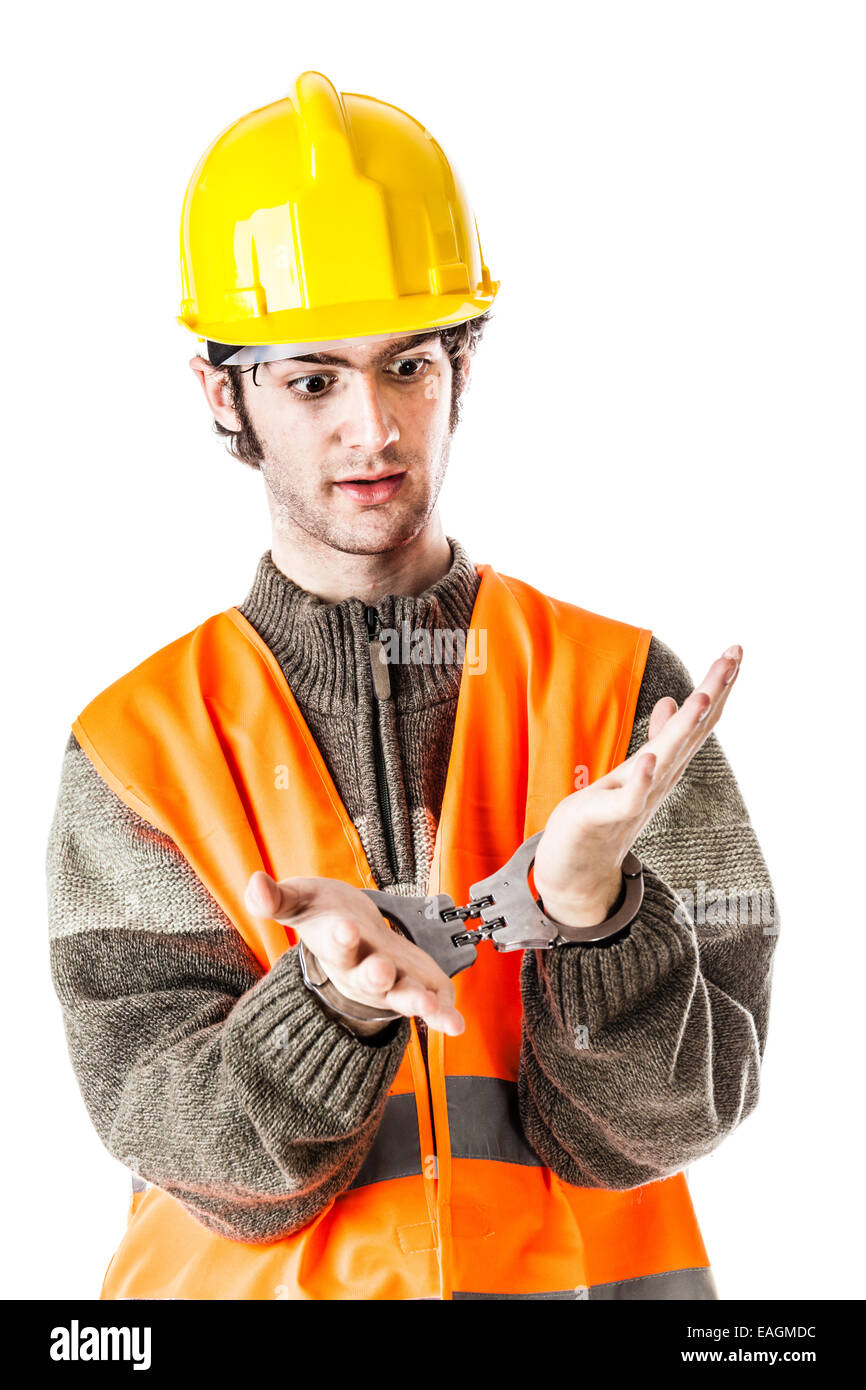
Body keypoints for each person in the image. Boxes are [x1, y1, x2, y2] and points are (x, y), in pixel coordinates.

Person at [46, 70, 778, 1301]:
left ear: (462, 367)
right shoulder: (136, 747)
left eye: (409, 366)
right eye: (312, 378)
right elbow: (188, 1151)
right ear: (222, 392)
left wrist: (597, 919)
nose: (372, 428)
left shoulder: (623, 696)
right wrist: (329, 1004)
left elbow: (675, 1121)